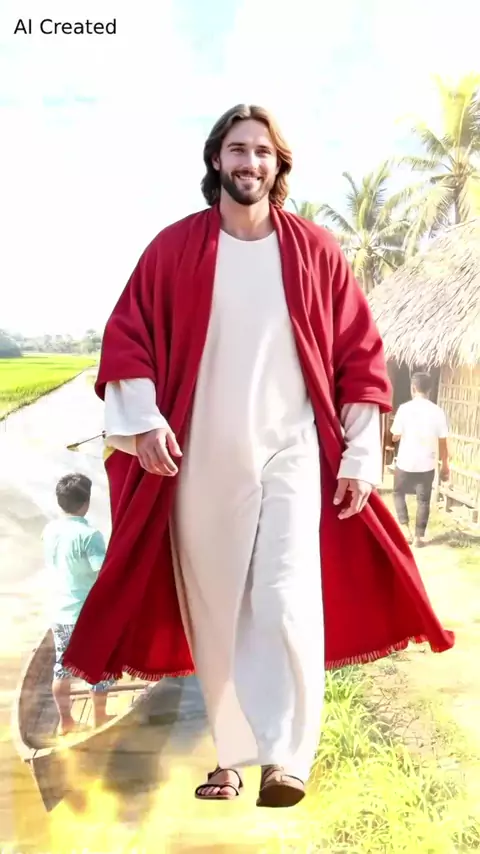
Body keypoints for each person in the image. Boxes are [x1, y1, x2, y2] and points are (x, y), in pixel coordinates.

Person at [64, 104, 454, 808]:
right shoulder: (173, 250)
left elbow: (359, 353)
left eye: (263, 152)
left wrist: (358, 455)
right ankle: (234, 754)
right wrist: (144, 424)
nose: (250, 162)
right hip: (199, 457)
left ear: (279, 166)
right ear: (217, 159)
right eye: (239, 149)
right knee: (215, 607)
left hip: (293, 451)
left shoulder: (316, 250)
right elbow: (128, 339)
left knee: (284, 598)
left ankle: (287, 758)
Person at [42, 473, 115, 735]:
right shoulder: (90, 535)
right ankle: (99, 718)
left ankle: (66, 723)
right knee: (99, 666)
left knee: (61, 669)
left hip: (59, 612)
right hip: (85, 614)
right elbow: (103, 574)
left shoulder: (49, 530)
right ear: (87, 501)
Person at [391, 372, 450, 547]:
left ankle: (405, 530)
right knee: (423, 500)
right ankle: (418, 537)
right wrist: (445, 465)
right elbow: (443, 441)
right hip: (427, 463)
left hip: (405, 462)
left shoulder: (404, 409)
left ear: (413, 388)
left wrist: (397, 436)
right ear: (430, 390)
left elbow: (395, 435)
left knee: (398, 493)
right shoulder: (437, 411)